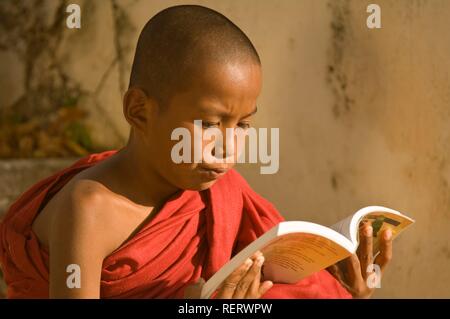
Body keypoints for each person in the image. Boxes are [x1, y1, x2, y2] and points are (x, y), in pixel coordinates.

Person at [0, 5, 392, 299]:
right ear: (139, 110)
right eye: (208, 123)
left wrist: (343, 288)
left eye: (241, 125)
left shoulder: (218, 195)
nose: (226, 145)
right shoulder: (90, 209)